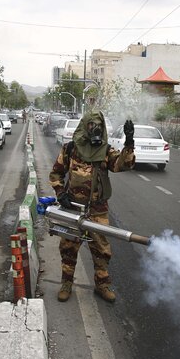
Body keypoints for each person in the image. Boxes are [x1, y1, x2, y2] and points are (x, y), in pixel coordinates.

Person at [49, 111, 135, 303]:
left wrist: (129, 143)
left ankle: (102, 285)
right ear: (84, 126)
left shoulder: (105, 151)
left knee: (101, 250)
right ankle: (66, 284)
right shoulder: (70, 148)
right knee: (68, 248)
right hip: (72, 208)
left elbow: (123, 165)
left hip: (97, 210)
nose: (95, 129)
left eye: (98, 125)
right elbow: (55, 174)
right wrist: (60, 193)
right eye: (91, 125)